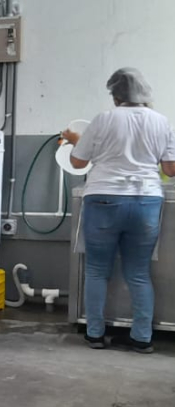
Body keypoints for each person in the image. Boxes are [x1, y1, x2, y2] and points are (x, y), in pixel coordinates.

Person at [63, 67, 175, 354]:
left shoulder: (104, 120)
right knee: (138, 272)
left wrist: (75, 140)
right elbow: (170, 169)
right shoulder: (162, 122)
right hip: (146, 201)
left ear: (115, 95)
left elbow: (77, 163)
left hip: (103, 199)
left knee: (98, 270)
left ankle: (95, 334)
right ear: (145, 94)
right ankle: (141, 338)